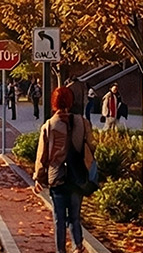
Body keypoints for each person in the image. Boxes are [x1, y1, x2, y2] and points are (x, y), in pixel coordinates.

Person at [32, 86, 94, 253]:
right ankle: (77, 245)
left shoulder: (49, 126)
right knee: (75, 216)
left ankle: (61, 250)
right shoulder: (82, 122)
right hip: (77, 176)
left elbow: (42, 155)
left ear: (54, 102)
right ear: (70, 101)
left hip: (57, 176)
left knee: (59, 219)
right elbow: (91, 146)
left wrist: (38, 177)